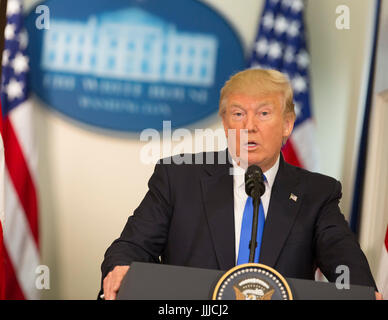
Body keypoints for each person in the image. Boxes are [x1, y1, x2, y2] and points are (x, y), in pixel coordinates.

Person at [101, 68, 381, 300]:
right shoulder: (178, 177)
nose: (249, 126)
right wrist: (121, 268)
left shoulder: (317, 194)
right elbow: (131, 247)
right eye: (238, 114)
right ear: (225, 124)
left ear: (287, 124)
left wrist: (363, 293)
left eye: (263, 113)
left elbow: (345, 264)